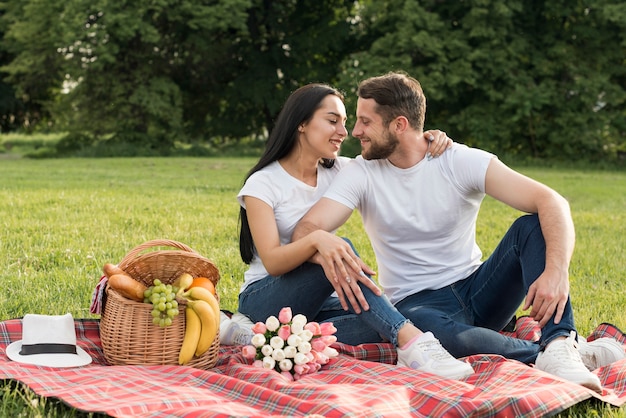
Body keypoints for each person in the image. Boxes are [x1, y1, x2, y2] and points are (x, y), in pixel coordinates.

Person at [292, 71, 625, 393]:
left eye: (365, 121)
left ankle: (560, 341)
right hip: (418, 304)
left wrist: (557, 272)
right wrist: (324, 239)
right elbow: (308, 228)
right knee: (419, 329)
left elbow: (551, 201)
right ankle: (556, 355)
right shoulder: (362, 173)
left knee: (531, 225)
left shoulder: (456, 159)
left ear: (399, 125)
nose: (356, 131)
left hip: (480, 289)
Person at [235, 82, 474, 379]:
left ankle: (270, 339)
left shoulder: (340, 170)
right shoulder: (263, 184)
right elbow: (272, 260)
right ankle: (412, 344)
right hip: (266, 297)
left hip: (319, 303)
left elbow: (396, 148)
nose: (344, 132)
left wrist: (429, 138)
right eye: (332, 121)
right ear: (301, 123)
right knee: (336, 248)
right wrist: (318, 240)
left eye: (345, 123)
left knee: (393, 316)